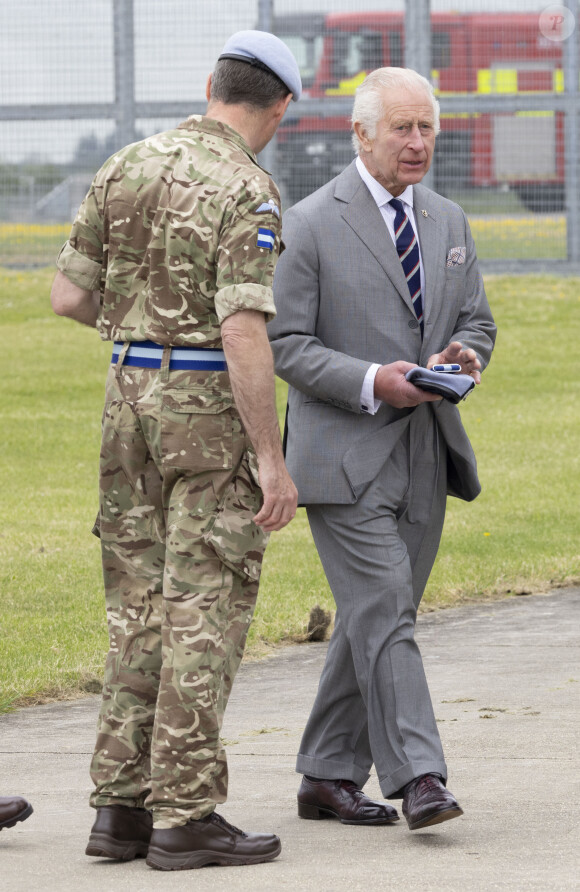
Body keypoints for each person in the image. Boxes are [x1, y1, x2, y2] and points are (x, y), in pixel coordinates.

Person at [50, 30, 299, 871]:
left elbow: (67, 294)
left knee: (138, 611)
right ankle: (186, 815)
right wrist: (270, 458)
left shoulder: (125, 165)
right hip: (206, 413)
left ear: (210, 86)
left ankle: (118, 810)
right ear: (281, 107)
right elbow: (241, 329)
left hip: (127, 403)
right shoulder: (249, 186)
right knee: (204, 607)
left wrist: (141, 341)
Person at [268, 67, 496, 832]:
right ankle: (421, 774)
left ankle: (327, 773)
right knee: (385, 612)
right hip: (342, 457)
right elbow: (284, 343)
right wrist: (373, 379)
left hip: (429, 451)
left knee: (378, 613)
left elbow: (479, 324)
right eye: (402, 127)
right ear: (359, 133)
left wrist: (465, 354)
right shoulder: (307, 222)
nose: (418, 141)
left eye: (427, 127)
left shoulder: (449, 220)